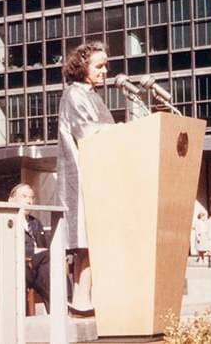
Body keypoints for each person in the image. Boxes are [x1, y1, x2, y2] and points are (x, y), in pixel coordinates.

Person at [56, 40, 116, 314]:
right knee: (87, 243)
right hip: (82, 177)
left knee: (90, 245)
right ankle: (82, 299)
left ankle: (83, 298)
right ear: (83, 67)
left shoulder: (92, 95)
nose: (105, 71)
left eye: (106, 66)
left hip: (98, 175)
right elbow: (87, 132)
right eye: (99, 66)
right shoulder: (74, 94)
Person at [8, 183, 51, 306]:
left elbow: (45, 247)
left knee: (51, 275)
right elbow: (7, 248)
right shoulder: (7, 222)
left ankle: (59, 310)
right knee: (50, 276)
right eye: (24, 196)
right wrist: (32, 251)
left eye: (31, 198)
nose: (29, 201)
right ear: (11, 200)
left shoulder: (35, 222)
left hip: (38, 270)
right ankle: (64, 306)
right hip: (18, 268)